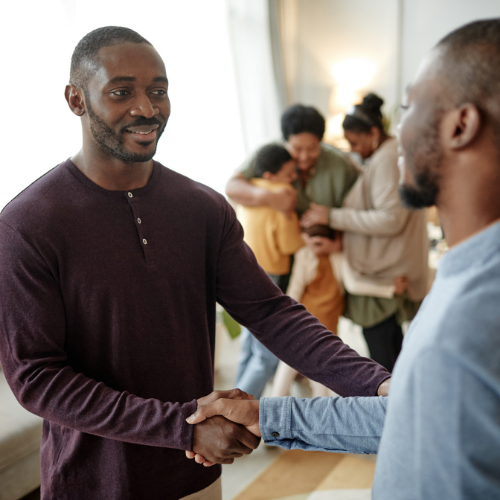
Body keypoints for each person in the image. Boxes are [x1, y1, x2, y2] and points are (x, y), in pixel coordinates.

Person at [0, 27, 391, 500]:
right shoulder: (27, 223)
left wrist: (378, 385)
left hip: (198, 475)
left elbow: (271, 313)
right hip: (94, 482)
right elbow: (37, 378)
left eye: (158, 91)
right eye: (122, 91)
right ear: (76, 99)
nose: (147, 108)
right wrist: (182, 428)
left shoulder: (202, 207)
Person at [186, 18, 500, 499]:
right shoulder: (466, 281)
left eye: (408, 106)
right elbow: (407, 419)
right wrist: (265, 416)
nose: (394, 137)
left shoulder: (473, 319)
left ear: (462, 125)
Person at [301, 93, 428, 372]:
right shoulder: (384, 156)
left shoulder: (386, 160)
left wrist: (331, 216)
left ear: (373, 133)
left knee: (386, 360)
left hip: (383, 277)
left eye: (356, 143)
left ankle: (390, 411)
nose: (354, 150)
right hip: (381, 272)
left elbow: (391, 219)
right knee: (391, 352)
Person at [272, 225, 407, 398]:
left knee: (315, 385)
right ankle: (268, 420)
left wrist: (389, 288)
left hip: (323, 332)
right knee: (290, 381)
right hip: (304, 329)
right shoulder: (305, 255)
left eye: (319, 241)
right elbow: (294, 292)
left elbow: (354, 285)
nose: (315, 244)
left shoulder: (338, 257)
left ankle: (310, 421)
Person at [235, 144, 304, 399]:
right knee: (266, 356)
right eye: (289, 173)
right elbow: (290, 244)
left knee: (249, 346)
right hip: (270, 277)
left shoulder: (251, 190)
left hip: (243, 270)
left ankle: (232, 397)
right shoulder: (283, 194)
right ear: (270, 176)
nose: (293, 177)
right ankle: (235, 414)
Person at [225, 104, 360, 220]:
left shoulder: (340, 164)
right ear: (285, 142)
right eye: (297, 148)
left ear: (321, 142)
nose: (304, 156)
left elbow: (353, 212)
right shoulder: (269, 153)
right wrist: (269, 197)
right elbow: (232, 186)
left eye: (312, 148)